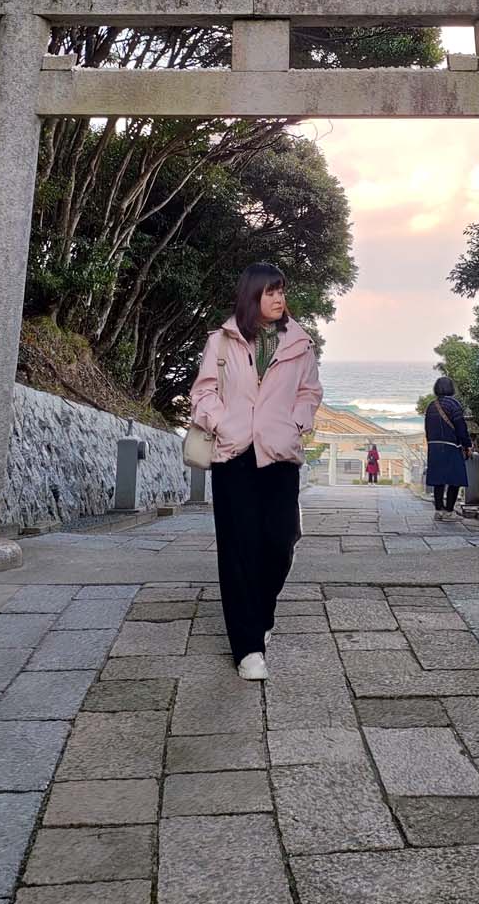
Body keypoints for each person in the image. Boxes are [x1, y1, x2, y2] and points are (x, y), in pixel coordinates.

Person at [188, 262, 323, 681]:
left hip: (279, 453)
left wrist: (296, 422)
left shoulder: (300, 344)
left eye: (282, 291)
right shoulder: (222, 342)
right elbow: (203, 392)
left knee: (280, 541)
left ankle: (262, 613)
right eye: (270, 292)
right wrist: (223, 422)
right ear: (252, 296)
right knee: (238, 548)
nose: (279, 299)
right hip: (234, 455)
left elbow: (310, 392)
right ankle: (247, 647)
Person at [424, 376, 471, 521]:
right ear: (451, 388)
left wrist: (431, 443)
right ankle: (449, 511)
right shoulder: (454, 405)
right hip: (451, 446)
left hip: (434, 447)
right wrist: (467, 444)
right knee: (454, 480)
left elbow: (427, 428)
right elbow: (461, 427)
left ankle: (438, 510)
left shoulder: (431, 406)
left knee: (438, 480)